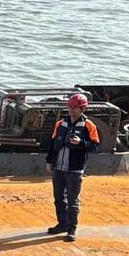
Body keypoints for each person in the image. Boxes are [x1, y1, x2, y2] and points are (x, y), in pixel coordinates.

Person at [47, 92, 100, 241]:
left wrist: (81, 143)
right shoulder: (60, 123)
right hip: (59, 168)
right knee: (58, 198)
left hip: (75, 169)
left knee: (72, 200)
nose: (71, 109)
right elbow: (53, 144)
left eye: (74, 107)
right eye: (69, 106)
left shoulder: (89, 126)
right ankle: (62, 224)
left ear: (82, 109)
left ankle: (71, 229)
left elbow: (95, 146)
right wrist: (49, 161)